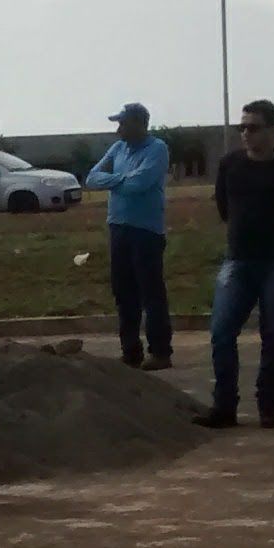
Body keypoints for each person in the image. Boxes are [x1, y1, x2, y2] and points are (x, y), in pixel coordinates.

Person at [197, 100, 274, 429]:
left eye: (254, 127)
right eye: (243, 127)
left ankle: (268, 405)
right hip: (238, 261)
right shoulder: (230, 165)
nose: (246, 134)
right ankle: (224, 406)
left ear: (273, 130)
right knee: (221, 331)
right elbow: (224, 205)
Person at [88, 103, 174, 370]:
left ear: (139, 124)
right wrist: (121, 179)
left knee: (151, 292)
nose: (118, 129)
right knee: (123, 292)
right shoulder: (118, 149)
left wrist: (114, 180)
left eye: (123, 123)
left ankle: (160, 352)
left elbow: (141, 184)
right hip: (118, 227)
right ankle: (130, 351)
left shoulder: (157, 148)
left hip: (146, 230)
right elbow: (91, 178)